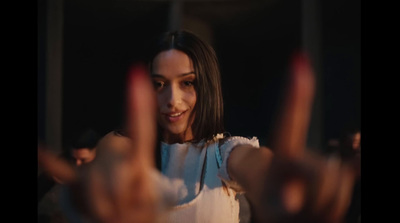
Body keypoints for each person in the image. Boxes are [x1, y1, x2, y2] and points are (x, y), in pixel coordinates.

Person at [38, 30, 356, 223]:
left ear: (207, 87)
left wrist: (276, 180)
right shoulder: (125, 146)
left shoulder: (222, 152)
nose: (172, 100)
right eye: (158, 84)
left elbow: (253, 164)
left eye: (187, 83)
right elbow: (113, 160)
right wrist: (104, 181)